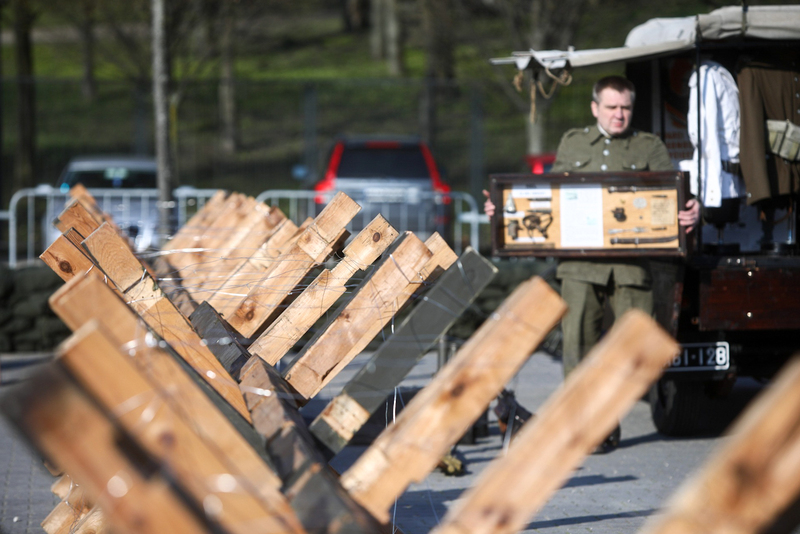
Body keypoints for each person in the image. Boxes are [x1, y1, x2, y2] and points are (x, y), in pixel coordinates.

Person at [484, 75, 700, 452]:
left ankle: (606, 415)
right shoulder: (574, 142)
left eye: (626, 108)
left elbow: (672, 194)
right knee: (578, 348)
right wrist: (504, 210)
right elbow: (550, 197)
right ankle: (586, 428)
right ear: (595, 108)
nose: (619, 115)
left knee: (632, 350)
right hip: (580, 266)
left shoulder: (648, 145)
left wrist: (692, 209)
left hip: (632, 266)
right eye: (612, 107)